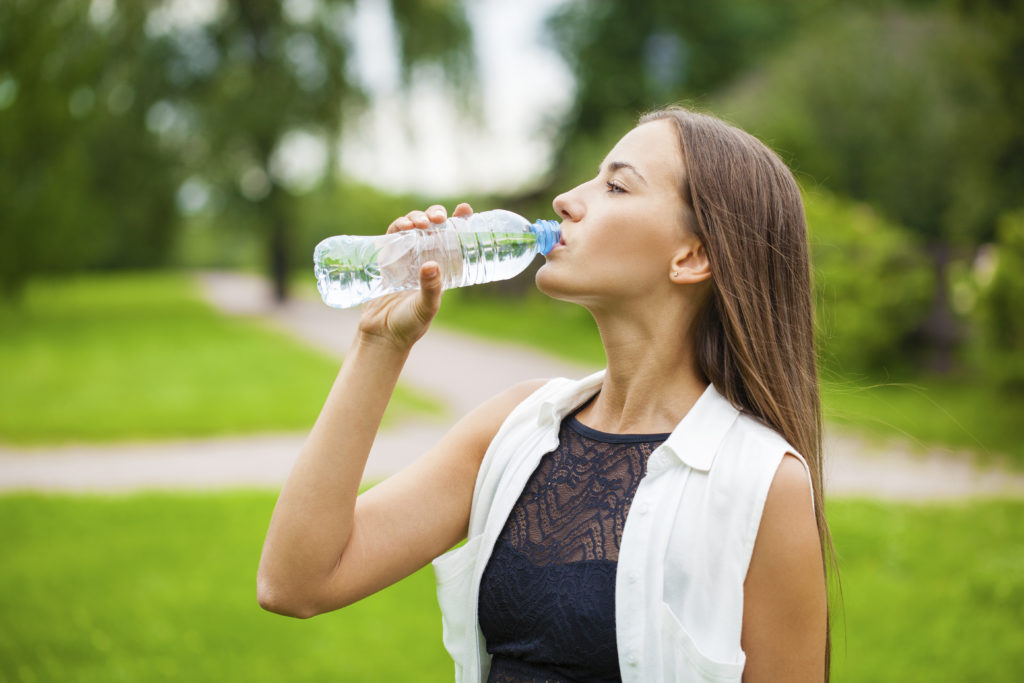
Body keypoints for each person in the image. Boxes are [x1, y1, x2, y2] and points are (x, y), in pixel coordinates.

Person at [257, 106, 833, 682]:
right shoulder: (518, 427)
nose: (565, 200)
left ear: (692, 257)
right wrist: (380, 341)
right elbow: (296, 581)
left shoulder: (760, 483)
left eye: (616, 186)